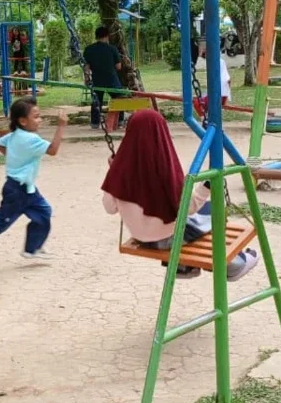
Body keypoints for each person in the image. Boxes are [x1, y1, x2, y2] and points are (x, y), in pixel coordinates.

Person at [101, 109, 259, 280]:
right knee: (212, 210)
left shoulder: (119, 169)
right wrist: (208, 186)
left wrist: (114, 172)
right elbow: (188, 208)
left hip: (140, 238)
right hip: (168, 240)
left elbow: (110, 208)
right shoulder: (164, 168)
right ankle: (235, 265)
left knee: (186, 219)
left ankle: (184, 266)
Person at [0, 97, 67, 273]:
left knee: (43, 212)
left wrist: (15, 158)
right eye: (37, 117)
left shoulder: (16, 135)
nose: (40, 120)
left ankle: (32, 248)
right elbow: (53, 150)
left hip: (26, 187)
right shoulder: (29, 139)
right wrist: (61, 126)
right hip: (17, 191)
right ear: (23, 121)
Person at [82, 26, 123, 129]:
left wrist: (87, 78)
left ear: (96, 36)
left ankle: (95, 123)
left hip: (97, 79)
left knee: (96, 100)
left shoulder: (89, 49)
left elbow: (86, 67)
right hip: (111, 79)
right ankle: (120, 121)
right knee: (118, 98)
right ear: (107, 36)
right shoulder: (112, 48)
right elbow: (118, 67)